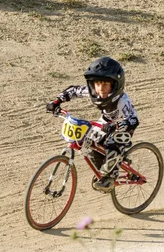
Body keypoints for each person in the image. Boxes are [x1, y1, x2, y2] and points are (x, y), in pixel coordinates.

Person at [46, 57, 139, 192]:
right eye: (97, 84)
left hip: (123, 126)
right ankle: (104, 169)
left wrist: (117, 126)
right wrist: (56, 102)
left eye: (105, 85)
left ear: (115, 85)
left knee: (114, 144)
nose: (100, 89)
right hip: (106, 121)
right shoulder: (93, 92)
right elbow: (73, 91)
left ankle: (110, 177)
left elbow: (133, 120)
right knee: (89, 143)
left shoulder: (122, 102)